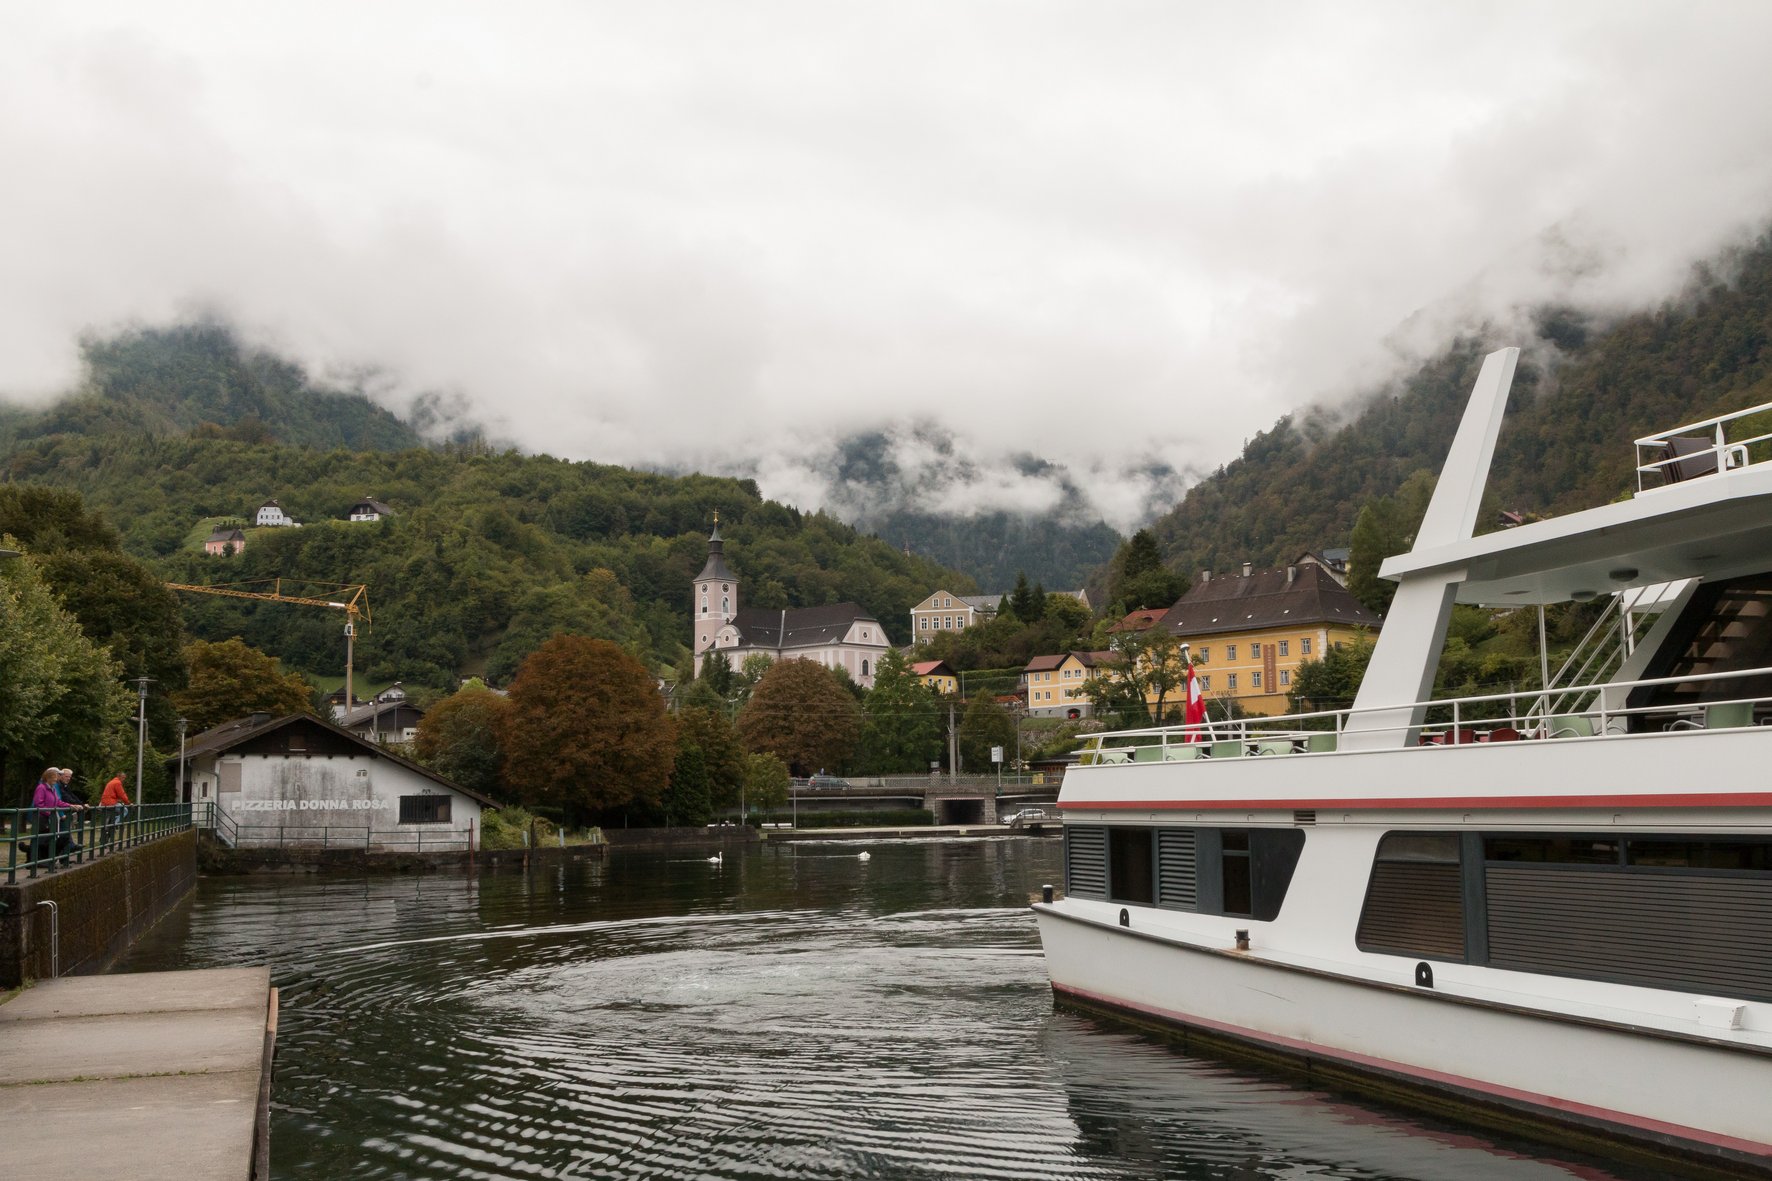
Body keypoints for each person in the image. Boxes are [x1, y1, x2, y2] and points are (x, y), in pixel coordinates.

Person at [31, 768, 79, 867]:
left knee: (49, 839)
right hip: (42, 818)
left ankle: (46, 860)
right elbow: (38, 804)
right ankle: (39, 861)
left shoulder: (52, 788)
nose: (56, 779)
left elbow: (58, 802)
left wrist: (70, 805)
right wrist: (50, 813)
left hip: (49, 818)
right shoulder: (41, 788)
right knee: (42, 839)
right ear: (48, 778)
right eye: (54, 777)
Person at [101, 773, 131, 850]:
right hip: (110, 803)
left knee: (108, 823)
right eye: (123, 778)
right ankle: (115, 823)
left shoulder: (111, 782)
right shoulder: (117, 783)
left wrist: (118, 800)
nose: (124, 779)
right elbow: (122, 794)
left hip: (105, 803)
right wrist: (128, 803)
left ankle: (105, 842)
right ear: (119, 777)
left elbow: (112, 794)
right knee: (125, 810)